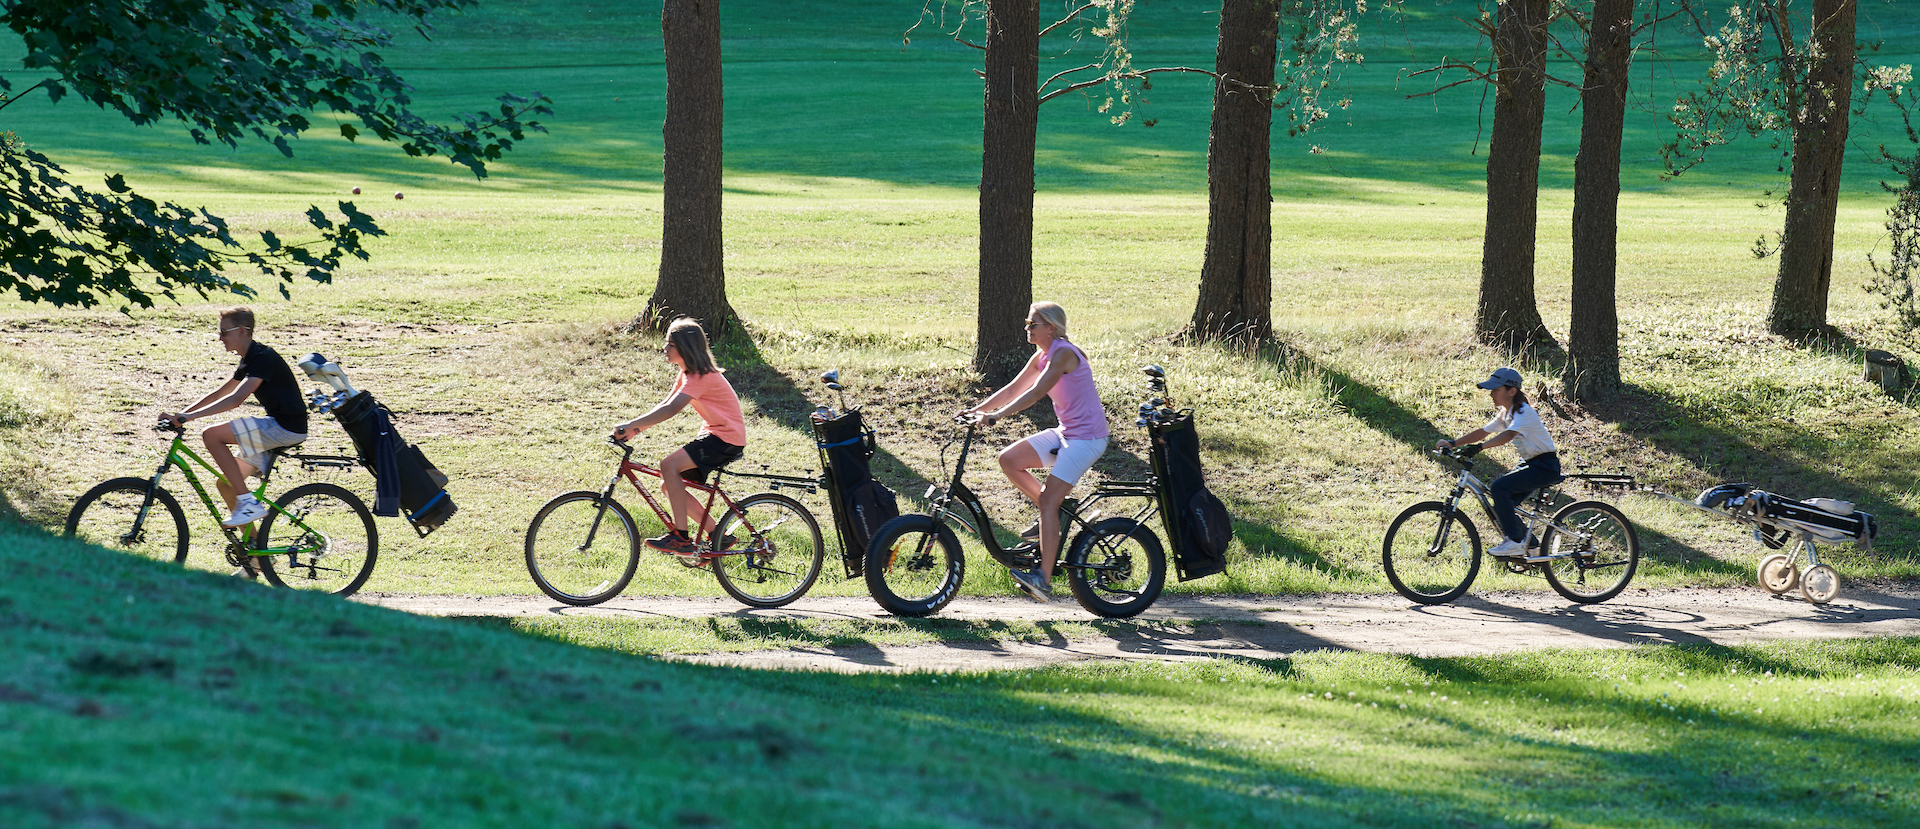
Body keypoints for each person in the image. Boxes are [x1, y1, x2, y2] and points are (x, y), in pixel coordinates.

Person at [963, 301, 1109, 603]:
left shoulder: (1064, 354)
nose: (1027, 328)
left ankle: (1043, 579)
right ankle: (1052, 510)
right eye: (1028, 323)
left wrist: (997, 417)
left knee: (1047, 503)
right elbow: (1013, 389)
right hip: (1067, 433)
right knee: (1010, 460)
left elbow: (1036, 393)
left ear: (1051, 328)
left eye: (1033, 324)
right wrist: (975, 410)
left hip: (1087, 439)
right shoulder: (1041, 355)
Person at [161, 307, 309, 531]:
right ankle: (256, 560)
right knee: (227, 484)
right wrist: (182, 414)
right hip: (278, 426)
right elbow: (221, 393)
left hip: (285, 427)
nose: (220, 338)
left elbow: (236, 399)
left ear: (241, 331)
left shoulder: (263, 358)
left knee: (211, 435)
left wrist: (189, 417)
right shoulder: (250, 359)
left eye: (224, 332)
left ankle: (248, 503)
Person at [611, 318, 746, 559]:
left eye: (669, 343)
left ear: (685, 348)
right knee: (668, 484)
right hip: (716, 435)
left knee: (668, 466)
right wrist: (635, 430)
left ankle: (681, 538)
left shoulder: (701, 377)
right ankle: (717, 535)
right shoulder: (687, 373)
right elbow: (665, 405)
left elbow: (672, 409)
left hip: (725, 439)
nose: (665, 348)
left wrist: (632, 424)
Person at [1434, 367, 1561, 561]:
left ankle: (1515, 542)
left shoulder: (1523, 412)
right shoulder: (1506, 413)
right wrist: (1452, 443)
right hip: (1531, 463)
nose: (1491, 394)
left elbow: (1508, 435)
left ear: (1512, 391)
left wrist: (1479, 448)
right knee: (1501, 500)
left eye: (1495, 389)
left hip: (1545, 466)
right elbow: (1483, 431)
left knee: (1499, 488)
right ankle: (1532, 545)